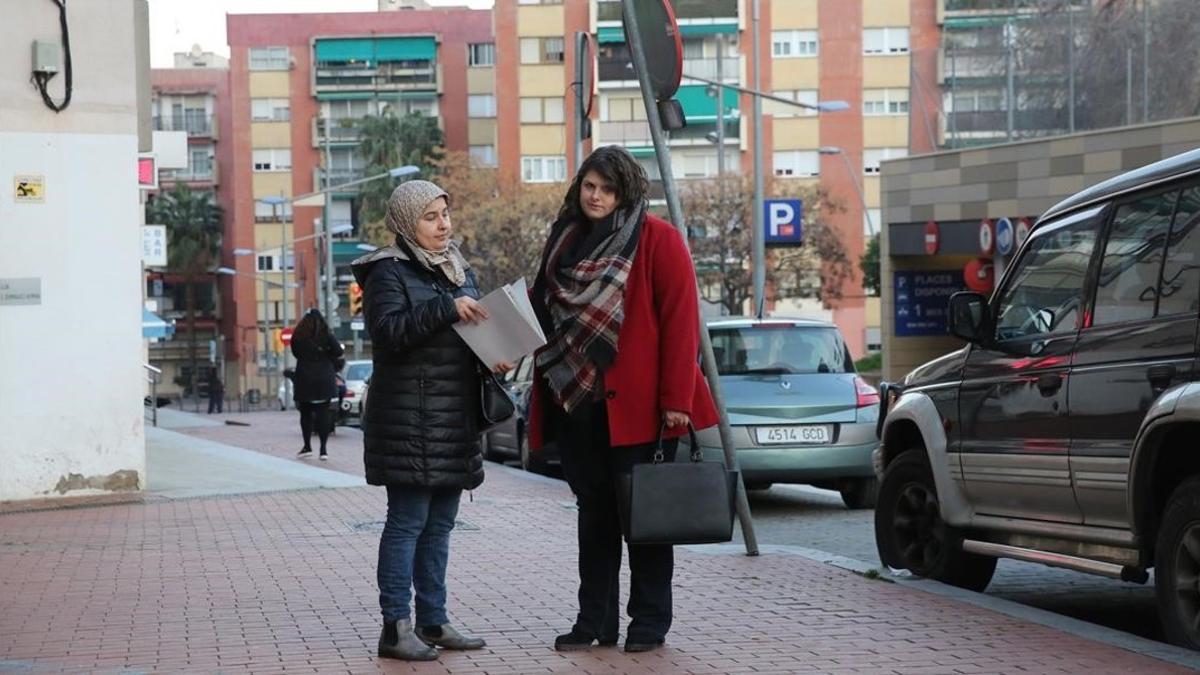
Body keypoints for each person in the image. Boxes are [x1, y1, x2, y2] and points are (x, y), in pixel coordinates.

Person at [528, 146, 719, 653]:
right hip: (577, 403)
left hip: (644, 410)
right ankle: (594, 622)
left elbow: (681, 323)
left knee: (647, 521)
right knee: (594, 519)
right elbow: (538, 312)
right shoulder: (562, 239)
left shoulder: (658, 240)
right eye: (590, 185)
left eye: (607, 189)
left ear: (627, 191)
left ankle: (649, 623)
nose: (596, 196)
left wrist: (676, 397)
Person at [351, 180, 499, 662]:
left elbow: (465, 338)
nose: (444, 225)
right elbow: (388, 333)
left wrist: (496, 355)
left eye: (445, 214)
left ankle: (433, 620)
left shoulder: (459, 271)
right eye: (431, 217)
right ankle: (396, 627)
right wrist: (444, 308)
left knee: (439, 526)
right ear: (405, 222)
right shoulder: (386, 271)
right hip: (409, 420)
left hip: (453, 417)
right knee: (407, 523)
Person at [290, 309, 344, 460]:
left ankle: (307, 446)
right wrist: (325, 353)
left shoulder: (299, 335)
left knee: (305, 413)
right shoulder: (326, 335)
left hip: (304, 378)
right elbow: (339, 351)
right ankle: (323, 450)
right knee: (323, 413)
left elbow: (295, 352)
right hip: (324, 379)